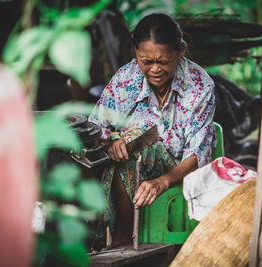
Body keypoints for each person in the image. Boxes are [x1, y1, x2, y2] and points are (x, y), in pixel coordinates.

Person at [88, 13, 216, 246]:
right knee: (126, 143)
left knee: (135, 137)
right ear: (136, 53)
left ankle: (123, 237)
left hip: (178, 169)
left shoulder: (200, 86)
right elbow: (96, 127)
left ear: (179, 52)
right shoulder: (126, 78)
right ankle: (113, 235)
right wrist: (112, 143)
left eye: (164, 61)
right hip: (130, 168)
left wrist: (163, 181)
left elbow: (198, 154)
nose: (155, 69)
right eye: (146, 61)